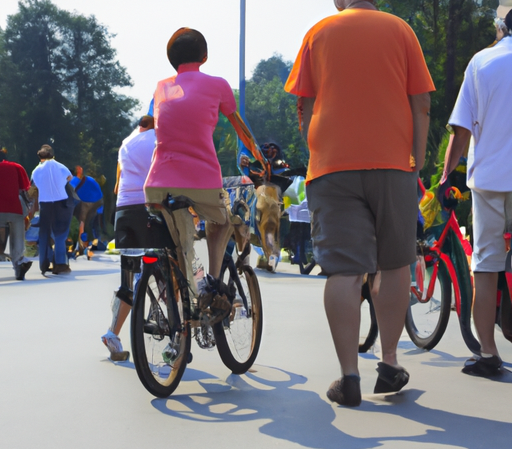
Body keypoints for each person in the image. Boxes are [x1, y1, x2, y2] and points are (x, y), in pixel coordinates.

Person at [284, 0, 434, 406]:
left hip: (332, 169)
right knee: (395, 262)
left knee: (344, 272)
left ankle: (349, 377)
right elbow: (421, 102)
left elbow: (306, 106)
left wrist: (320, 148)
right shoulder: (400, 30)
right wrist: (415, 163)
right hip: (393, 165)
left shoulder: (318, 34)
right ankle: (388, 362)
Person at [144, 27, 268, 321]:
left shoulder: (160, 88)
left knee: (178, 246)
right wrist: (260, 159)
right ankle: (213, 284)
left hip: (157, 184)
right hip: (201, 181)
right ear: (205, 56)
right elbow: (241, 129)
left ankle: (180, 312)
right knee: (221, 220)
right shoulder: (218, 85)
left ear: (171, 59)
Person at [441, 8, 512, 377]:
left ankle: (487, 353)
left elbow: (461, 129)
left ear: (502, 27)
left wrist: (444, 175)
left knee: (485, 265)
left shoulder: (482, 62)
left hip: (489, 181)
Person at [100, 115, 162, 361]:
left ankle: (112, 335)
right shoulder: (160, 139)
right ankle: (173, 337)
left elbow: (116, 187)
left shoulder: (125, 143)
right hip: (150, 209)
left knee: (128, 280)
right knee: (167, 268)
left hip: (124, 212)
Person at [31, 144, 74, 275]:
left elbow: (32, 185)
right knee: (60, 233)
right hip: (61, 202)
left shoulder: (36, 170)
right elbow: (69, 178)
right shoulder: (61, 166)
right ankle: (60, 264)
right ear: (53, 155)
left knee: (44, 233)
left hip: (45, 203)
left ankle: (44, 264)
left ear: (40, 157)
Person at [0, 147, 33, 280]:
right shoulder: (16, 167)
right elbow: (24, 190)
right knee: (17, 236)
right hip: (15, 209)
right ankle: (19, 262)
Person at [70, 165, 103, 255]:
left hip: (86, 202)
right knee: (90, 223)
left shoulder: (73, 180)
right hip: (98, 202)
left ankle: (81, 245)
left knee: (82, 222)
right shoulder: (89, 179)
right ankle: (91, 241)